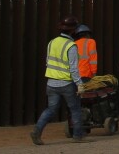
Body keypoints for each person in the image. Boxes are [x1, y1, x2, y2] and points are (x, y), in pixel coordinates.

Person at [31, 16, 87, 145]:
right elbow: (73, 68)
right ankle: (78, 135)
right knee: (75, 109)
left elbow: (47, 62)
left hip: (51, 83)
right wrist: (80, 85)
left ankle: (37, 131)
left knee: (50, 109)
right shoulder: (71, 46)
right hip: (66, 84)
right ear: (73, 31)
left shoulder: (51, 42)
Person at [66, 24, 98, 138]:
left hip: (73, 77)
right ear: (87, 34)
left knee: (75, 102)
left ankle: (73, 126)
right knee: (86, 101)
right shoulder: (91, 42)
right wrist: (94, 74)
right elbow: (93, 59)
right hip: (85, 76)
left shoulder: (73, 44)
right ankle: (84, 126)